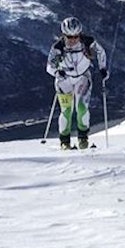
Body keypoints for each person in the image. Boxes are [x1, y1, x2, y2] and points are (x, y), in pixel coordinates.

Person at [46, 16, 108, 150]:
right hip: (64, 80)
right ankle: (65, 141)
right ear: (64, 35)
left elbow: (101, 52)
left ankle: (83, 139)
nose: (73, 40)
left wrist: (103, 68)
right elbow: (49, 66)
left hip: (83, 78)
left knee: (81, 108)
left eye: (76, 36)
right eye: (69, 37)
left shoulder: (88, 41)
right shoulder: (58, 47)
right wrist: (57, 72)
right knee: (66, 111)